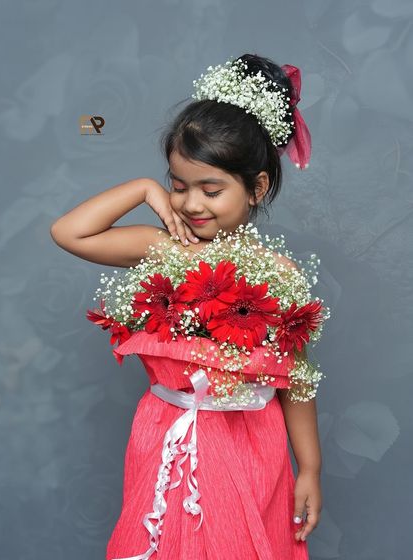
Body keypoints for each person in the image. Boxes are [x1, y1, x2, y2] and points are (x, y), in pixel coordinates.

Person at [50, 53, 322, 559]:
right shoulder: (163, 248)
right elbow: (69, 232)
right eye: (179, 186)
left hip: (249, 441)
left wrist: (309, 468)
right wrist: (143, 189)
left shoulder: (281, 276)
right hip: (166, 432)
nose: (192, 204)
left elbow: (297, 380)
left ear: (256, 188)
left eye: (211, 189)